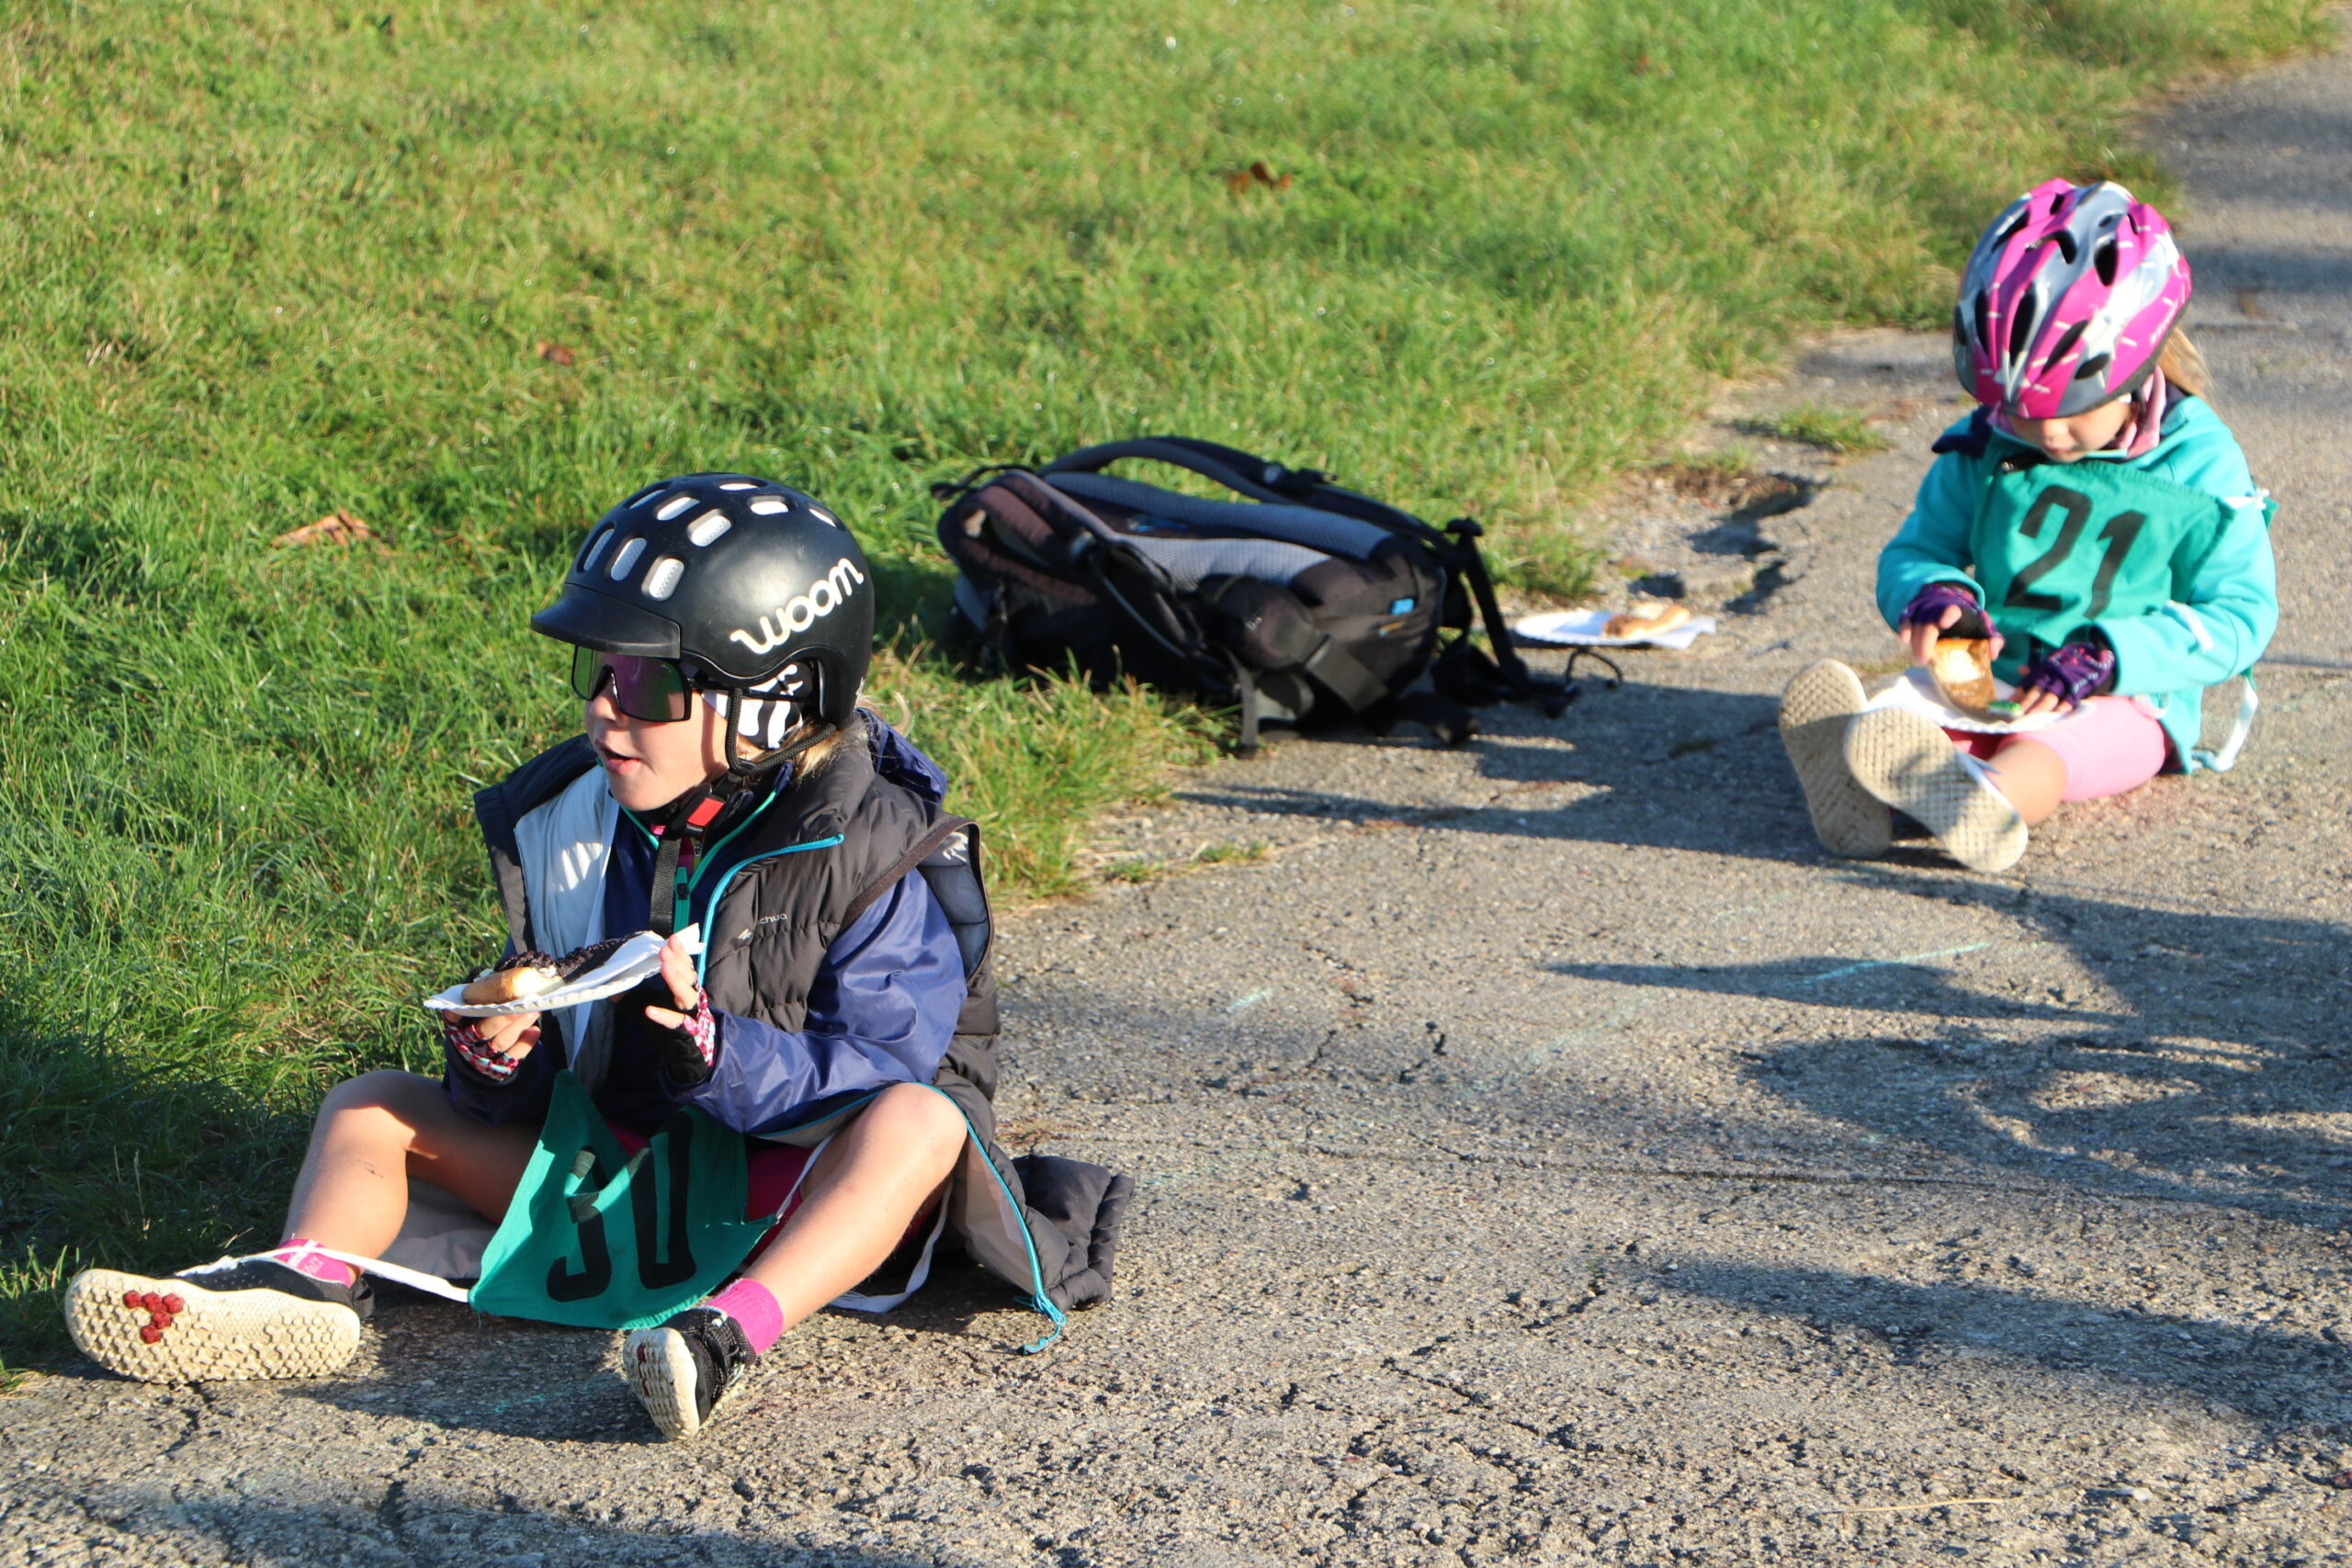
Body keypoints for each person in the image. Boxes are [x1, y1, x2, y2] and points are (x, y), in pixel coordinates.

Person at [64, 475, 1130, 1438]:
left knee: (922, 1121)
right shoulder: (575, 818)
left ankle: (721, 1336)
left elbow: (885, 1062)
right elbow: (547, 1073)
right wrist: (499, 1061)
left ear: (774, 699)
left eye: (649, 687)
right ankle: (300, 1289)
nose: (604, 710)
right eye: (597, 673)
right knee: (370, 1106)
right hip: (629, 1176)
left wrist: (716, 1051)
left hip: (795, 1188)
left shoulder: (880, 846)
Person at [1779, 179, 2277, 873]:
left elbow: (2240, 615)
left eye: (2069, 411)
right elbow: (1918, 549)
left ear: (2136, 366)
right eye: (2018, 409)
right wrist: (1936, 598)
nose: (2044, 433)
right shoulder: (1987, 442)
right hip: (1987, 666)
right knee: (1905, 706)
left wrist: (2112, 654)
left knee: (2048, 750)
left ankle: (1986, 799)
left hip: (2125, 693)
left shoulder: (2200, 469)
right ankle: (1869, 778)